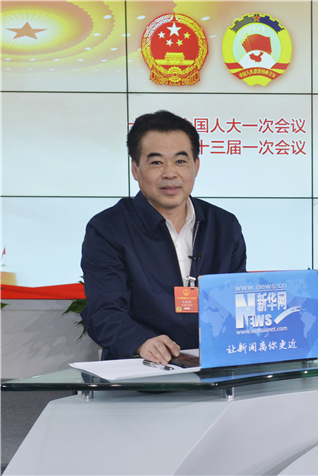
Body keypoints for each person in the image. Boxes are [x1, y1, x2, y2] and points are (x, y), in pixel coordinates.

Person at [81, 110, 247, 363]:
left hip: (214, 366)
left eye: (180, 161)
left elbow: (237, 299)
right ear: (135, 168)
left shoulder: (224, 225)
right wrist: (140, 341)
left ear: (196, 166)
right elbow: (103, 310)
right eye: (156, 162)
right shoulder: (108, 228)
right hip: (140, 369)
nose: (170, 173)